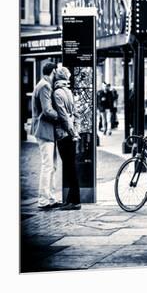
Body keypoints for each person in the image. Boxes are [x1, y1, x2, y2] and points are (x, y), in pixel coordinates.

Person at [31, 61, 61, 209]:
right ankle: (44, 200)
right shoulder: (44, 86)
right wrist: (61, 116)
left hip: (46, 130)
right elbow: (47, 110)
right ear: (53, 72)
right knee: (48, 165)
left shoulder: (42, 84)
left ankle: (50, 198)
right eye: (55, 72)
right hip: (44, 130)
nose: (56, 75)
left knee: (52, 166)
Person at [53, 66, 82, 210]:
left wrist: (71, 132)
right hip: (71, 134)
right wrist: (76, 130)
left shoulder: (57, 92)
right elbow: (76, 113)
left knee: (70, 168)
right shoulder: (68, 92)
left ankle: (75, 201)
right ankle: (71, 199)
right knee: (71, 167)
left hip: (64, 135)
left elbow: (63, 116)